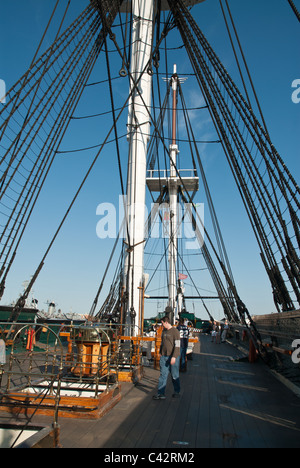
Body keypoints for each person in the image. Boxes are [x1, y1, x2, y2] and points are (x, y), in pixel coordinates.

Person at [153, 316, 181, 400]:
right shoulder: (164, 331)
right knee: (163, 375)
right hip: (164, 356)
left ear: (166, 322)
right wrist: (161, 353)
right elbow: (162, 343)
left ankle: (177, 391)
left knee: (174, 375)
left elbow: (177, 345)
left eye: (162, 323)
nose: (162, 325)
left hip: (172, 357)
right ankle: (161, 393)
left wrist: (174, 357)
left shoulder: (175, 332)